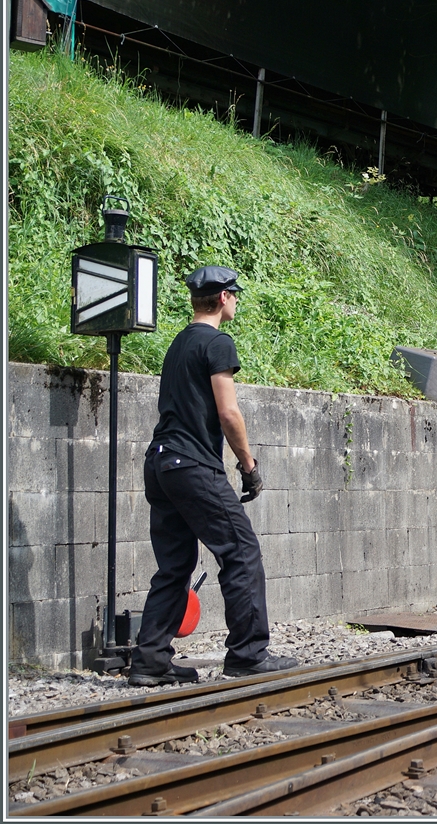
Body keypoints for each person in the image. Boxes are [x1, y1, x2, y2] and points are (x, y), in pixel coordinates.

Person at [128, 266, 298, 686]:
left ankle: (150, 662)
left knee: (174, 565)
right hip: (191, 465)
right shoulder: (217, 342)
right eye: (234, 295)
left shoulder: (179, 343)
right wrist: (248, 465)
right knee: (241, 551)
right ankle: (248, 654)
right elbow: (228, 413)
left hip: (160, 462)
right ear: (223, 298)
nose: (235, 300)